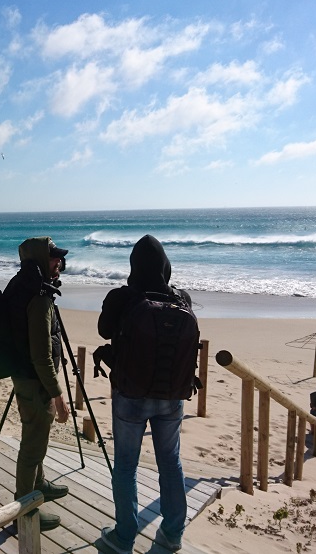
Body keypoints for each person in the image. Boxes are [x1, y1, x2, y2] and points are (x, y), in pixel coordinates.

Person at [94, 234, 192, 554]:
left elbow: (103, 330)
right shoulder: (182, 299)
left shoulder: (122, 297)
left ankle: (124, 537)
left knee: (126, 465)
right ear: (166, 267)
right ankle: (172, 534)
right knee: (171, 462)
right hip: (172, 396)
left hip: (130, 395)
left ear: (134, 265)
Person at [4, 236, 71, 532]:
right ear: (42, 260)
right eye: (54, 257)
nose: (59, 262)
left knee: (35, 437)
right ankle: (25, 511)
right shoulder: (40, 296)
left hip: (24, 376)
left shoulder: (21, 284)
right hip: (35, 382)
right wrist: (58, 395)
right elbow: (42, 356)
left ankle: (39, 484)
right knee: (32, 447)